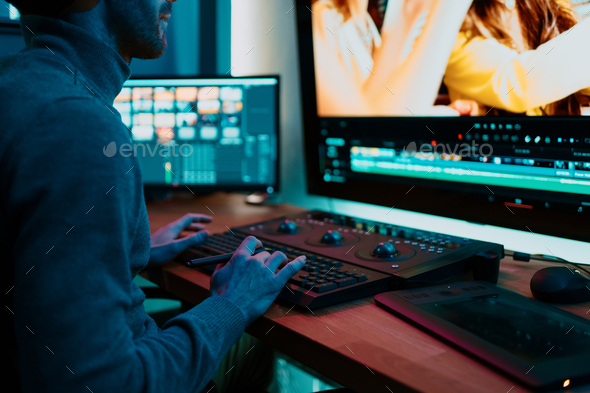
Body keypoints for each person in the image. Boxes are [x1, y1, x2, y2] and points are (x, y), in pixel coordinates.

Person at [0, 1, 306, 392]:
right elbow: (98, 384)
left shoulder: (17, 83)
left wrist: (124, 252)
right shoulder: (78, 125)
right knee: (258, 341)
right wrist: (232, 304)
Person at [312, 0, 474, 116]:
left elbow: (372, 107)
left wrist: (442, 113)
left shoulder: (366, 23)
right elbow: (362, 127)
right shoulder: (324, 16)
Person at [444, 0, 590, 116]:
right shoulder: (448, 30)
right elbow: (517, 84)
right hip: (496, 151)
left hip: (558, 149)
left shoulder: (549, 6)